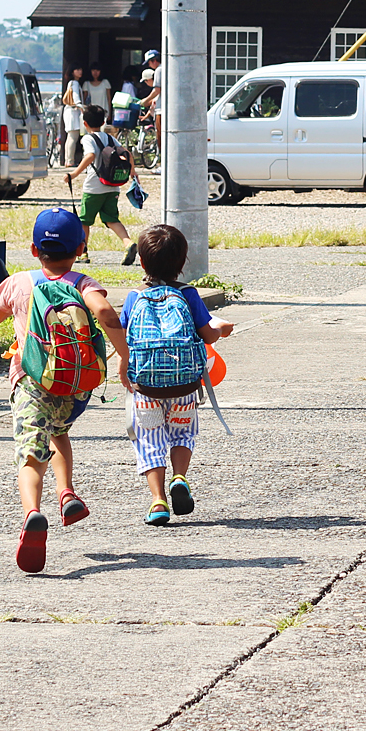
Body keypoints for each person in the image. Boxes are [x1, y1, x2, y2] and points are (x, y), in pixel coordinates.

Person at [0, 208, 128, 574]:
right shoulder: (82, 283)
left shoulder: (19, 283)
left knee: (31, 451)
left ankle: (32, 512)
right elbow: (107, 314)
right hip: (75, 385)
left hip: (32, 382)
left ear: (33, 249)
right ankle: (66, 492)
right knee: (58, 431)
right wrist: (124, 357)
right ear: (80, 247)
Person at [119, 223, 234, 526]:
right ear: (182, 263)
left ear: (142, 263)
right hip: (184, 386)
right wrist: (222, 328)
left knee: (148, 439)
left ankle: (158, 500)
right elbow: (208, 335)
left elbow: (123, 336)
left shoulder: (133, 298)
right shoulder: (188, 295)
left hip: (145, 388)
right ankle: (179, 477)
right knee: (183, 433)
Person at [65, 104, 139, 265]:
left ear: (84, 123)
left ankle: (83, 254)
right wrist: (132, 172)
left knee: (84, 221)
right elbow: (127, 153)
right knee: (112, 219)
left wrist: (74, 174)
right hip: (112, 186)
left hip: (94, 187)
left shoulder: (87, 138)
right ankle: (128, 243)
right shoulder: (110, 138)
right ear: (104, 122)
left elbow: (90, 155)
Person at [62, 66, 86, 166]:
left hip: (69, 111)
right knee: (73, 136)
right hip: (73, 112)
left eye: (80, 69)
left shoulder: (71, 83)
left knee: (70, 136)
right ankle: (70, 160)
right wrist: (81, 106)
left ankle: (68, 159)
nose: (80, 71)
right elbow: (76, 97)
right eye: (77, 69)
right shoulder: (75, 83)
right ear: (72, 71)